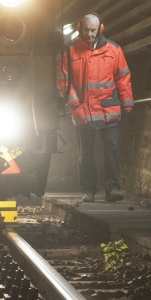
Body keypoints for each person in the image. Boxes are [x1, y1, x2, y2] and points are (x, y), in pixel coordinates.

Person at [56, 13, 134, 203]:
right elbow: (64, 81)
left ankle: (113, 189)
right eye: (86, 30)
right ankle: (88, 190)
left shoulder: (114, 50)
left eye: (93, 30)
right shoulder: (70, 52)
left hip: (108, 110)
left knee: (111, 150)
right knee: (86, 154)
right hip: (83, 111)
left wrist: (127, 102)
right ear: (79, 28)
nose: (90, 34)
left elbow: (122, 77)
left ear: (100, 29)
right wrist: (74, 103)